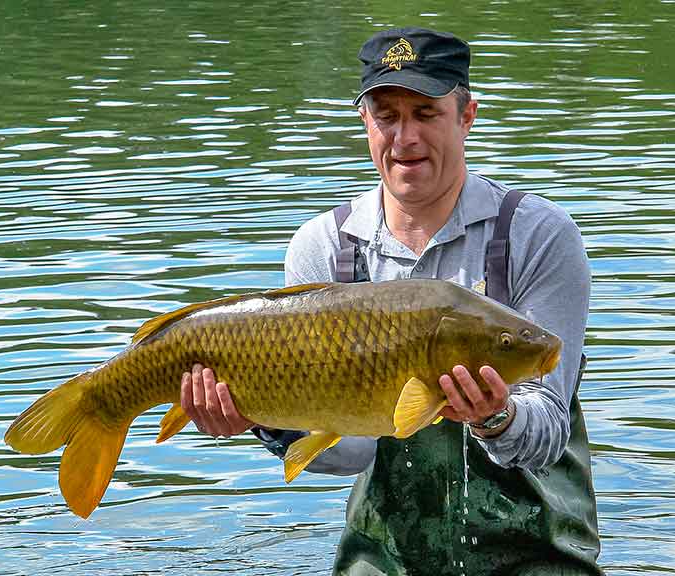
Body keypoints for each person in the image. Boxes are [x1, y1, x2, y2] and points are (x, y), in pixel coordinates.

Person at [180, 27, 603, 576]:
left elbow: (545, 434)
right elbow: (351, 454)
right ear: (365, 123)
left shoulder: (536, 235)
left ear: (466, 116)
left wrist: (496, 417)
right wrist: (268, 423)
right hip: (384, 555)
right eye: (387, 115)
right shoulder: (325, 247)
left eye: (425, 113)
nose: (405, 137)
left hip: (537, 551)